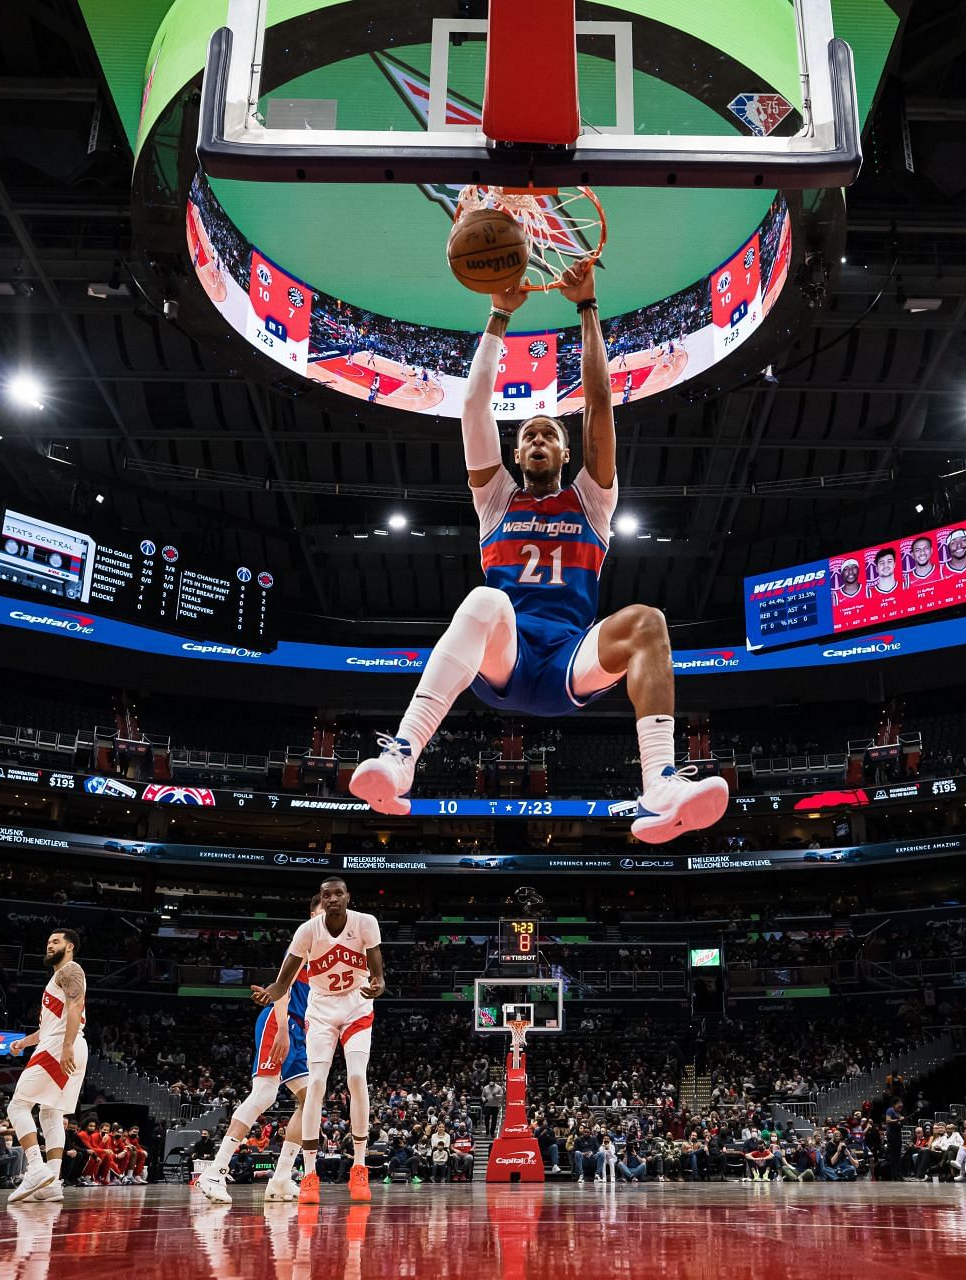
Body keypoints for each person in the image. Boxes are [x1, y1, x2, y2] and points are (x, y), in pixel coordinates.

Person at [348, 263, 730, 845]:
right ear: (516, 450)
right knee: (484, 599)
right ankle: (403, 756)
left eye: (549, 432)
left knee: (647, 623)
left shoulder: (593, 500)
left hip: (569, 664)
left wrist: (588, 307)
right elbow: (474, 408)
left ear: (565, 449)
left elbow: (600, 404)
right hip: (505, 655)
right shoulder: (495, 498)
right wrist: (499, 316)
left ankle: (659, 785)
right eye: (527, 434)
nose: (536, 439)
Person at [257, 877, 384, 1204]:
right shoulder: (307, 931)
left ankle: (359, 1167)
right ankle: (310, 1173)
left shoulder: (365, 923)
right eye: (326, 895)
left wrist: (378, 984)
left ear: (347, 897)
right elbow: (284, 979)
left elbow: (378, 970)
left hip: (356, 1006)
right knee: (316, 1085)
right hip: (323, 1011)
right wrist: (273, 991)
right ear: (322, 900)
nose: (332, 899)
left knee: (357, 1078)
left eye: (338, 893)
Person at [200, 897, 319, 1204]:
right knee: (264, 1095)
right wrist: (282, 1029)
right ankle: (214, 1171)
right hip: (280, 1024)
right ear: (312, 914)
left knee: (310, 1101)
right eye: (322, 911)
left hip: (301, 1030)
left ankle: (280, 1179)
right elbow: (282, 988)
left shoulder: (330, 955)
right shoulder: (303, 944)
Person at [6, 927, 88, 1205]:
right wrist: (23, 1042)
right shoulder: (57, 979)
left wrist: (65, 1046)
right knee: (50, 1112)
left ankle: (35, 1168)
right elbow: (47, 1029)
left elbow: (76, 1006)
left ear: (70, 947)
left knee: (17, 1105)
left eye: (55, 942)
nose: (49, 946)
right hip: (65, 1043)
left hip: (62, 1045)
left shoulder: (70, 970)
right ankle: (51, 1182)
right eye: (48, 941)